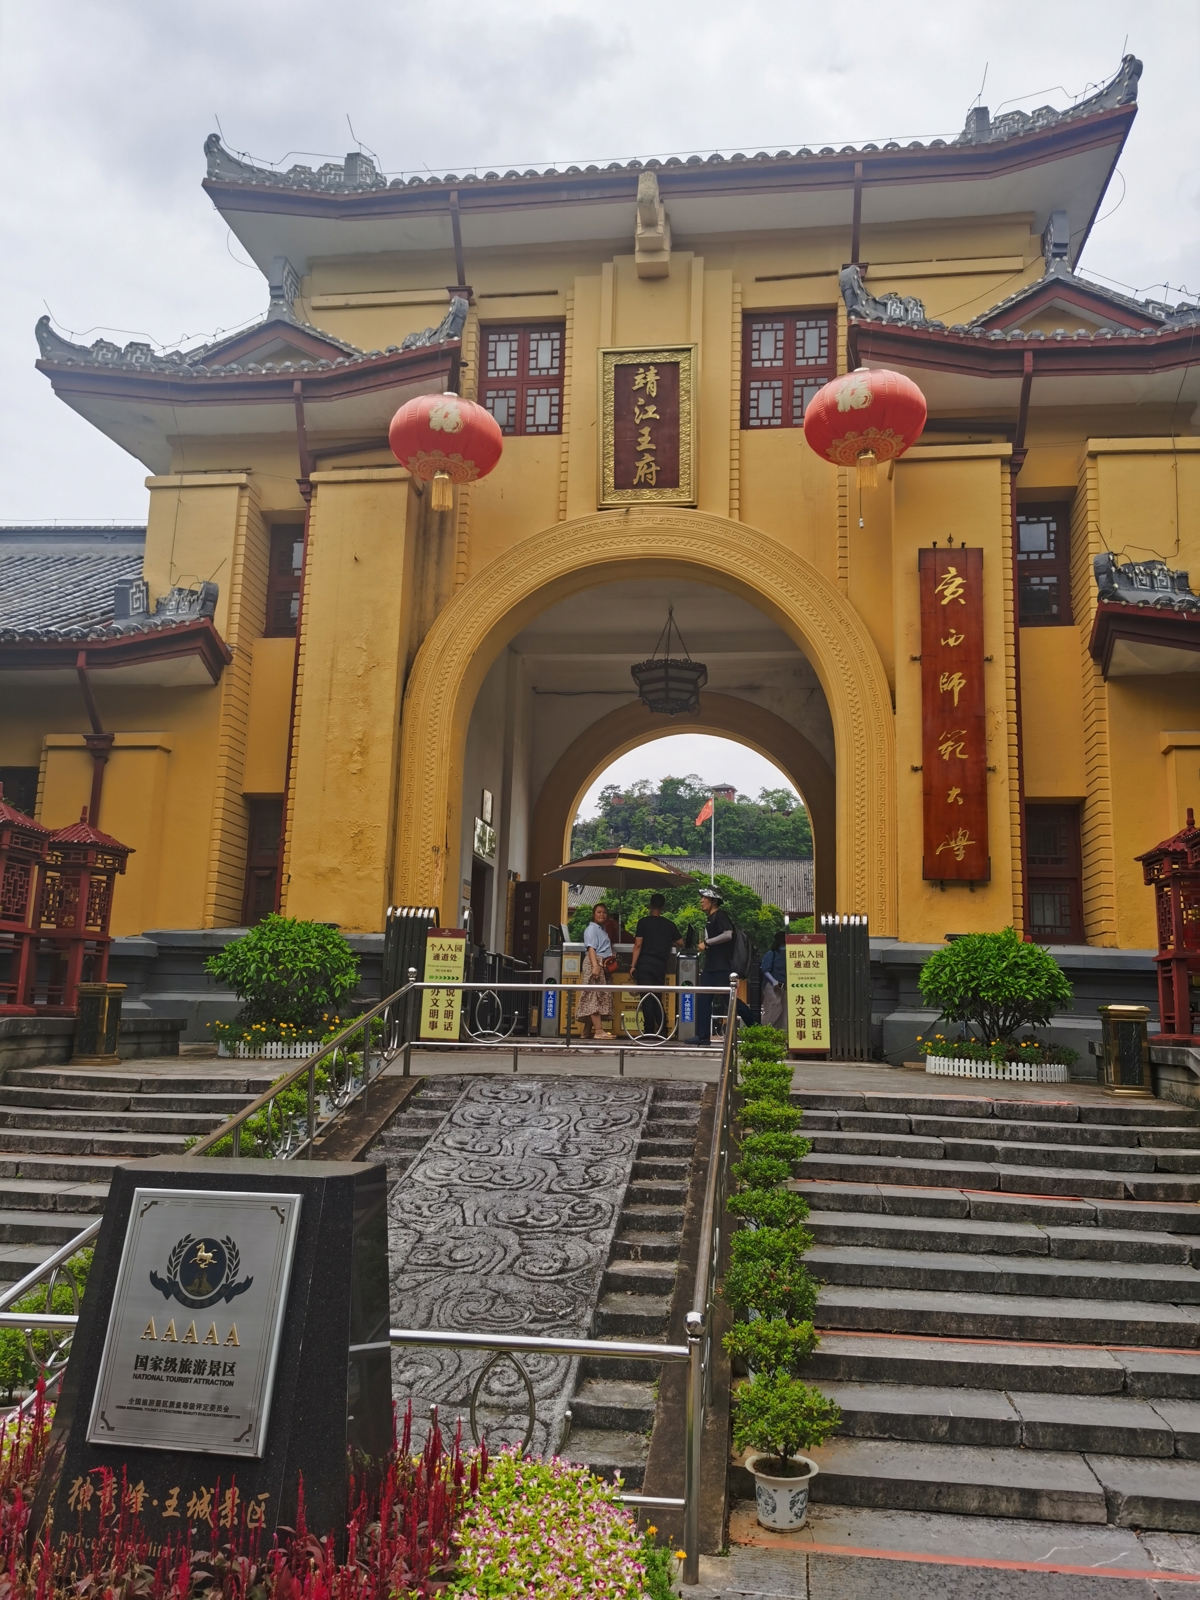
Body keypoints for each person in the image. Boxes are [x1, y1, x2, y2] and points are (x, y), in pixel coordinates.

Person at [695, 885, 753, 1043]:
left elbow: (728, 935)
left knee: (731, 1001)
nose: (702, 901)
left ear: (713, 900)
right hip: (712, 967)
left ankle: (757, 1027)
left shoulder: (720, 915)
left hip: (721, 968)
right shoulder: (711, 918)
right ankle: (702, 1036)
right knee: (703, 999)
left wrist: (707, 943)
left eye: (705, 898)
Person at [630, 893, 681, 1036]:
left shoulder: (643, 922)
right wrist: (666, 941)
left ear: (650, 905)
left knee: (646, 998)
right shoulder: (668, 924)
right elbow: (681, 942)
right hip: (660, 965)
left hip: (645, 964)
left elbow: (638, 944)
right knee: (657, 997)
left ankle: (648, 1030)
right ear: (663, 907)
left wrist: (633, 965)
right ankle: (663, 1029)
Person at [577, 901, 615, 1040]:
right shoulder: (591, 929)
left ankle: (586, 1031)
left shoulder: (601, 929)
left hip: (600, 963)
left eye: (604, 912)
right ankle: (598, 1031)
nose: (602, 914)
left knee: (594, 995)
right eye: (599, 912)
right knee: (594, 996)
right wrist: (595, 966)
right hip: (595, 962)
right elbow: (591, 948)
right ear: (593, 914)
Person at [760, 929, 786, 1031]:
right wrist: (774, 981)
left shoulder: (786, 954)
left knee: (783, 1012)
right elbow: (765, 969)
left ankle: (780, 1036)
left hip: (784, 986)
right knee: (773, 1009)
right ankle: (766, 1032)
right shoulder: (772, 954)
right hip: (772, 986)